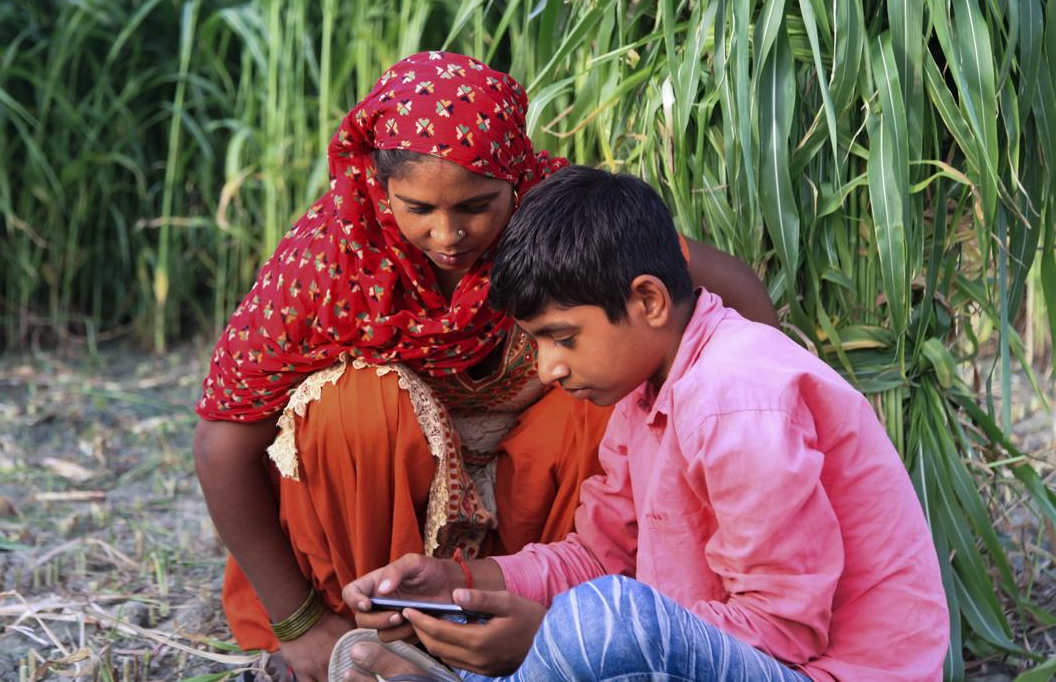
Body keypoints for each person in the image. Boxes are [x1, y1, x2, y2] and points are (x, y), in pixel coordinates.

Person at [193, 52, 779, 682]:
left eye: (476, 206)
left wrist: (757, 402)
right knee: (352, 409)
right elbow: (221, 445)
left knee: (605, 396)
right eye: (417, 208)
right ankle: (373, 639)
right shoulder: (327, 262)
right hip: (377, 508)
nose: (448, 236)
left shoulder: (558, 214)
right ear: (377, 182)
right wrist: (300, 623)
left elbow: (728, 288)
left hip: (532, 527)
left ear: (517, 179)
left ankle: (531, 631)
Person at [339, 166, 949, 681]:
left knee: (607, 615)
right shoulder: (644, 392)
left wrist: (547, 636)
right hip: (738, 650)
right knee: (597, 612)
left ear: (649, 301)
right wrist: (454, 583)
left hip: (823, 669)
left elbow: (782, 630)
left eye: (563, 338)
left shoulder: (733, 394)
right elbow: (598, 557)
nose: (549, 369)